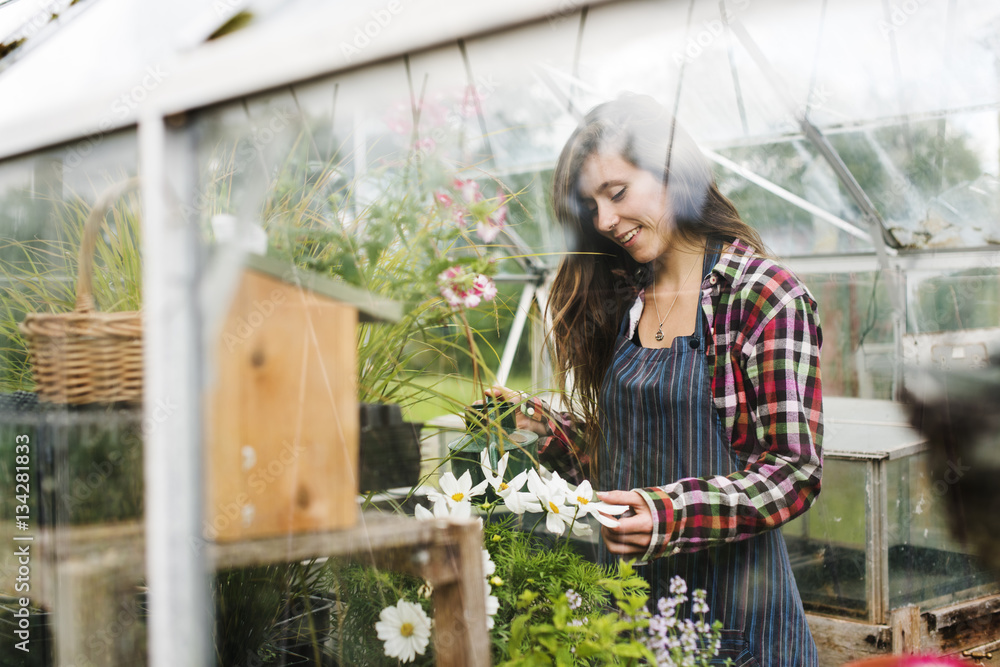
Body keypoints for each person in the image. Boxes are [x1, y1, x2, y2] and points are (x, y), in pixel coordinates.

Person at [486, 94, 823, 667]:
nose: (604, 221)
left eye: (616, 193)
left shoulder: (760, 296)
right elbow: (626, 463)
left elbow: (794, 471)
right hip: (627, 623)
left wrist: (667, 515)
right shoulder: (626, 298)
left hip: (735, 628)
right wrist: (549, 433)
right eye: (591, 206)